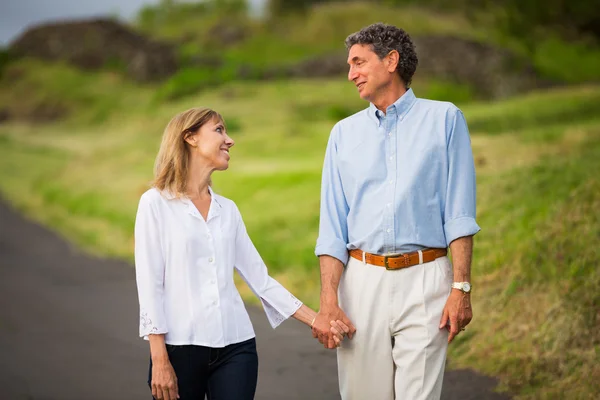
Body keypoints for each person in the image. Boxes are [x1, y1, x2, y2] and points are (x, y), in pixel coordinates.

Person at [310, 23, 481, 399]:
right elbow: (333, 228)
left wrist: (461, 288)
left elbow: (459, 214)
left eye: (358, 62)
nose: (350, 73)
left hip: (426, 280)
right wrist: (328, 300)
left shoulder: (445, 119)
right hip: (362, 283)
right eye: (349, 64)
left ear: (391, 60)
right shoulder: (343, 134)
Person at [134, 108, 348, 400]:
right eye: (219, 130)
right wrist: (159, 359)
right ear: (190, 138)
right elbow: (150, 285)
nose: (230, 140)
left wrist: (316, 319)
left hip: (237, 347)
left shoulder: (228, 210)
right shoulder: (155, 204)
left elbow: (261, 280)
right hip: (179, 349)